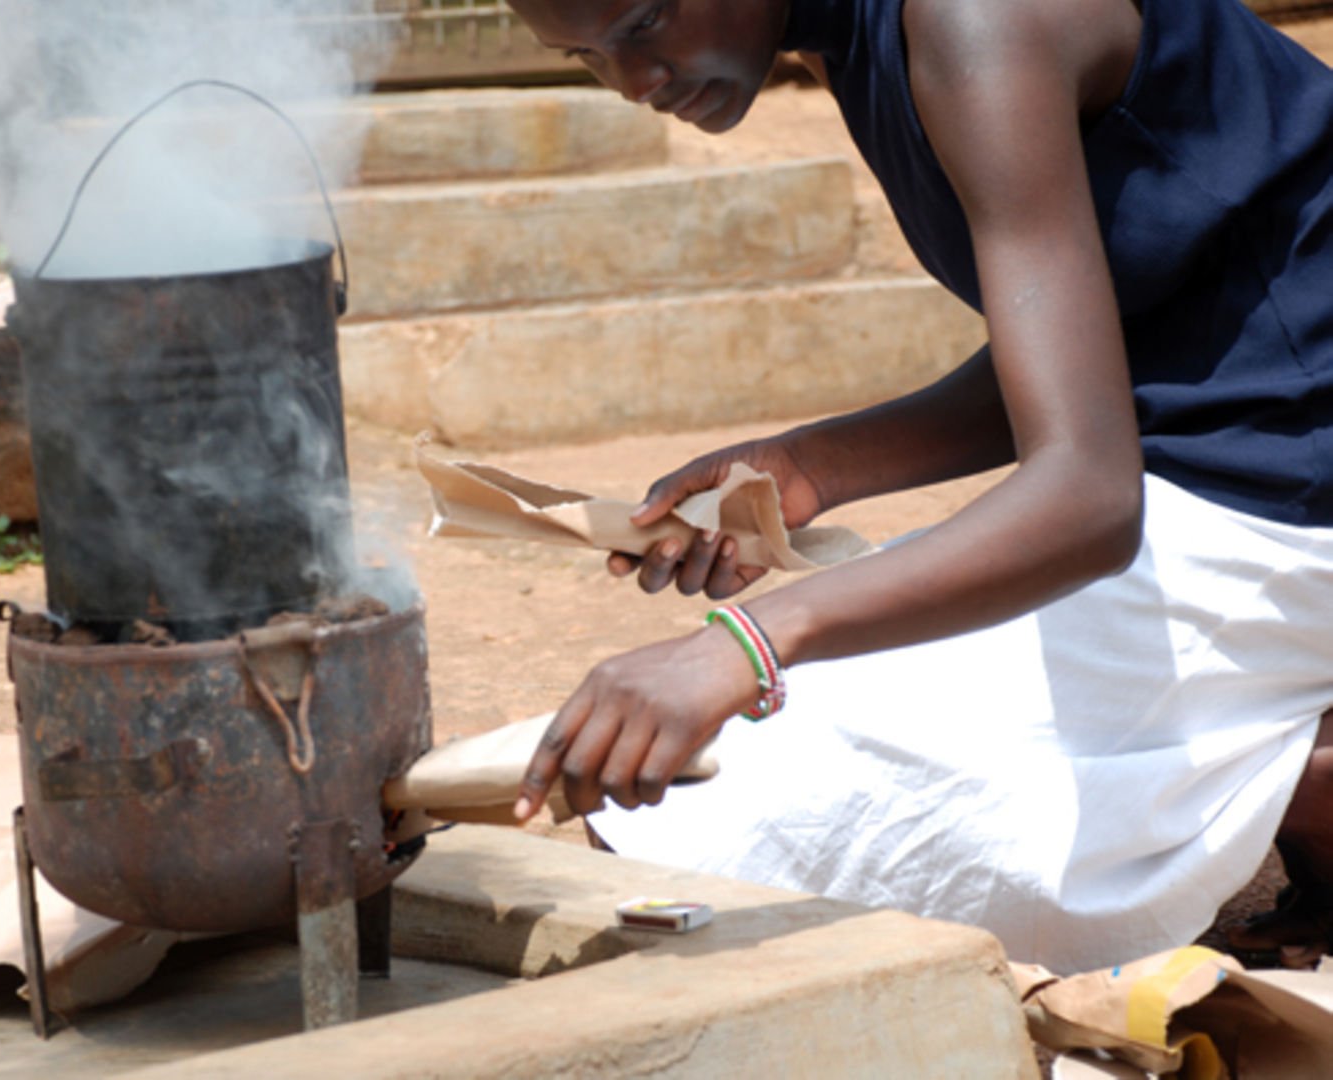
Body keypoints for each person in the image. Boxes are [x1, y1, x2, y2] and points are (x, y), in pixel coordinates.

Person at [502, 0, 1333, 973]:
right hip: (1258, 452)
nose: (634, 82)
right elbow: (1131, 333)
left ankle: (1304, 772)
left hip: (1288, 484)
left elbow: (1089, 502)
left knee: (718, 800)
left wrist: (746, 646)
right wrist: (811, 467)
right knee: (743, 778)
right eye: (585, 58)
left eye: (644, 21)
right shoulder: (865, 37)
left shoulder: (977, 19)